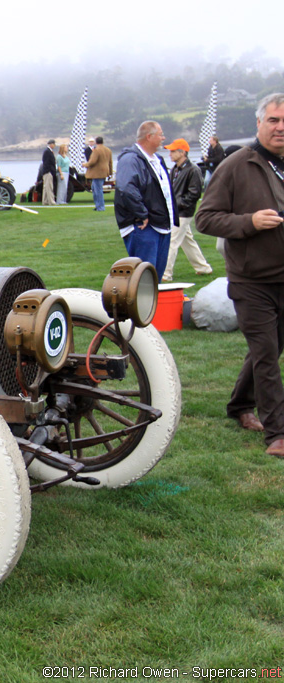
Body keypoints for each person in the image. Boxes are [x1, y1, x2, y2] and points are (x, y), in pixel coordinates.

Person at [196, 93, 284, 457]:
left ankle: (238, 406)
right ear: (259, 123)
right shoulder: (236, 164)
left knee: (271, 349)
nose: (280, 128)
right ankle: (277, 434)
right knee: (266, 355)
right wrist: (249, 222)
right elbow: (205, 218)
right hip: (252, 281)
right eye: (274, 120)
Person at [114, 121, 175, 280]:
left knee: (156, 277)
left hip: (161, 225)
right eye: (160, 134)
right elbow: (126, 187)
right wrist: (142, 213)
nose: (164, 138)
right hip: (144, 227)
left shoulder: (158, 160)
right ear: (149, 137)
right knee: (144, 279)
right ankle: (141, 305)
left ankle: (155, 305)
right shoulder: (130, 159)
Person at [162, 139, 212, 282]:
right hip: (177, 210)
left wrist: (179, 205)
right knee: (187, 241)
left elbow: (194, 193)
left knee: (171, 242)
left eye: (173, 151)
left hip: (183, 212)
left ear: (182, 152)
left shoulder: (193, 170)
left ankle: (165, 274)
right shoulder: (176, 169)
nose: (170, 154)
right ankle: (203, 268)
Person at [85, 135, 114, 211]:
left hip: (97, 173)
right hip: (104, 172)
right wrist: (110, 172)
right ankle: (98, 205)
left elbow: (92, 161)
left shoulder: (97, 150)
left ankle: (100, 207)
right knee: (94, 188)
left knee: (98, 190)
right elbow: (110, 162)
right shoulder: (108, 150)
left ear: (96, 142)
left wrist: (85, 164)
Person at [40, 139, 58, 205]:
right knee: (49, 187)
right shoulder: (47, 152)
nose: (54, 145)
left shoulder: (48, 151)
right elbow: (47, 162)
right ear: (51, 144)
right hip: (48, 172)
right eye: (54, 144)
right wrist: (50, 171)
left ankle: (45, 201)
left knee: (46, 187)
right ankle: (51, 201)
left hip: (47, 171)